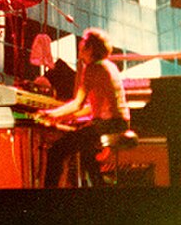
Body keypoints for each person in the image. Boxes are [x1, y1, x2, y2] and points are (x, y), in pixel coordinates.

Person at [36, 28, 130, 187]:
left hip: (106, 124)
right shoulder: (109, 66)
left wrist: (50, 114)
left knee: (56, 151)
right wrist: (64, 117)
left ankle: (48, 196)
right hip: (119, 123)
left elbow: (77, 104)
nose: (80, 45)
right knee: (87, 153)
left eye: (83, 43)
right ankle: (97, 186)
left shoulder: (93, 68)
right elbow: (94, 108)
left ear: (91, 48)